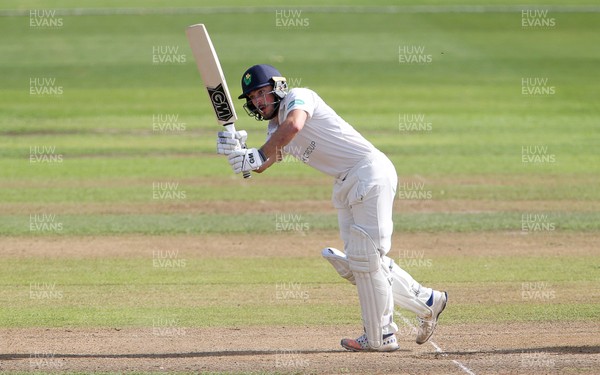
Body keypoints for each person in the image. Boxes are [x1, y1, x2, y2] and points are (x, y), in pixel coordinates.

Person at [217, 64, 447, 352]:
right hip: (346, 182)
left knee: (365, 259)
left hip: (369, 172)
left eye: (261, 93)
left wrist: (258, 153)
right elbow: (263, 163)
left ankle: (382, 336)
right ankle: (428, 300)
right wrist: (237, 152)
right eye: (252, 98)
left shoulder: (299, 98)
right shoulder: (274, 129)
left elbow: (295, 126)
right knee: (359, 264)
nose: (257, 102)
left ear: (278, 88)